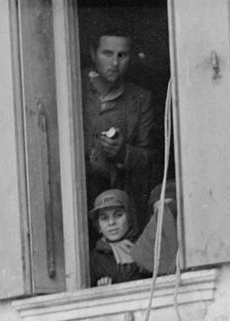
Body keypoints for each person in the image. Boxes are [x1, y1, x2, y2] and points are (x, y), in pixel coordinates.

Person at [83, 29, 154, 221]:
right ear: (93, 53)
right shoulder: (74, 85)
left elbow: (148, 157)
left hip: (115, 200)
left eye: (122, 55)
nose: (115, 63)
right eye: (107, 53)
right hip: (74, 193)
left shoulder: (140, 99)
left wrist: (123, 152)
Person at [89, 189, 147, 287]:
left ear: (130, 218)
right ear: (98, 225)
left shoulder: (145, 248)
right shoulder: (93, 260)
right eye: (104, 218)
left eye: (118, 215)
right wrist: (100, 290)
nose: (111, 222)